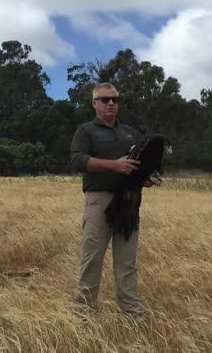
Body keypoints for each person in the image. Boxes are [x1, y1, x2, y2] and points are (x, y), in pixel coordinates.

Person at [69, 82, 152, 316]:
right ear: (94, 103)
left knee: (127, 262)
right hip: (99, 201)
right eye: (105, 100)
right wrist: (115, 165)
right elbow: (77, 159)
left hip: (129, 201)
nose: (111, 104)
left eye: (115, 99)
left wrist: (144, 178)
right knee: (92, 259)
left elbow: (139, 164)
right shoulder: (86, 131)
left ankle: (133, 313)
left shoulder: (130, 132)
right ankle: (84, 314)